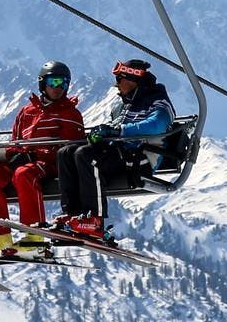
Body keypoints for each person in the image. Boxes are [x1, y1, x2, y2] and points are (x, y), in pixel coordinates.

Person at [0, 61, 85, 257]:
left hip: (49, 163)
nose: (59, 88)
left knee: (24, 174)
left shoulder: (70, 113)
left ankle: (34, 234)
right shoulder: (27, 111)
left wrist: (35, 154)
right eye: (54, 82)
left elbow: (71, 147)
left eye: (64, 84)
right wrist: (12, 155)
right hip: (23, 160)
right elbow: (15, 141)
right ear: (43, 83)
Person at [54, 59, 174, 240]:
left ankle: (95, 219)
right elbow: (113, 127)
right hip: (119, 154)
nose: (116, 84)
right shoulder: (123, 105)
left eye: (119, 79)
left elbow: (157, 125)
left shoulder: (157, 101)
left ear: (132, 80)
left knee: (86, 156)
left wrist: (119, 131)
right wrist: (100, 136)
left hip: (139, 158)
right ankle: (74, 214)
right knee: (66, 152)